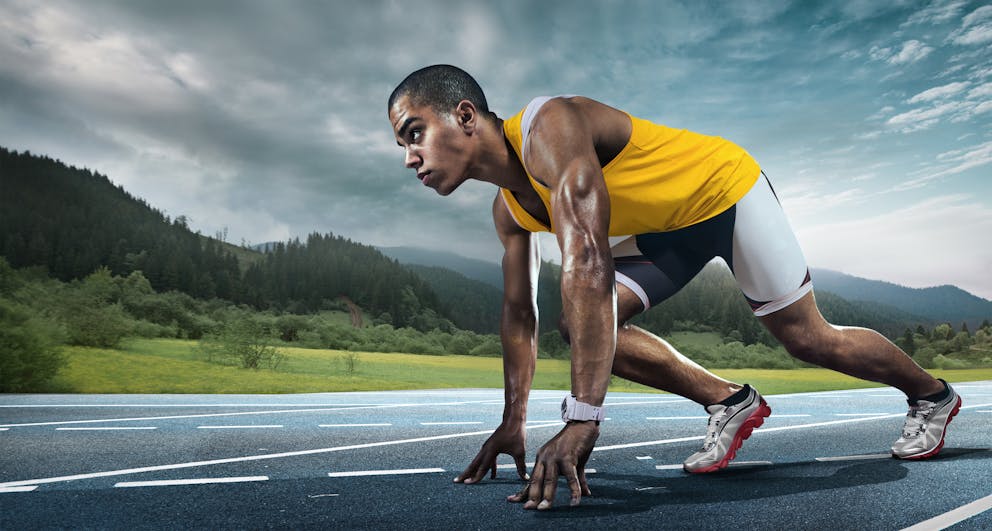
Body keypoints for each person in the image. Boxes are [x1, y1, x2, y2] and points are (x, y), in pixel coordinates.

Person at [386, 64, 961, 510]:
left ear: (464, 115)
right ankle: (730, 401)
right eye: (401, 146)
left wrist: (583, 415)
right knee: (581, 322)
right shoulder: (508, 211)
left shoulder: (549, 125)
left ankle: (933, 395)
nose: (410, 158)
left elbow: (587, 256)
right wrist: (515, 419)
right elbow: (519, 315)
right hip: (671, 229)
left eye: (415, 134)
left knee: (809, 340)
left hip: (726, 192)